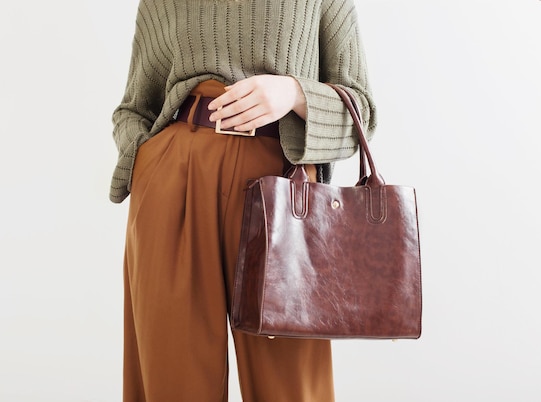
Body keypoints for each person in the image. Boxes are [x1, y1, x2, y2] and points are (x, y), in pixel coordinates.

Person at [109, 0, 376, 400]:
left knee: (291, 387)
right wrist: (149, 165)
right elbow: (133, 110)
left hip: (284, 196)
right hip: (174, 187)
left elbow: (363, 112)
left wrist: (294, 93)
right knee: (172, 384)